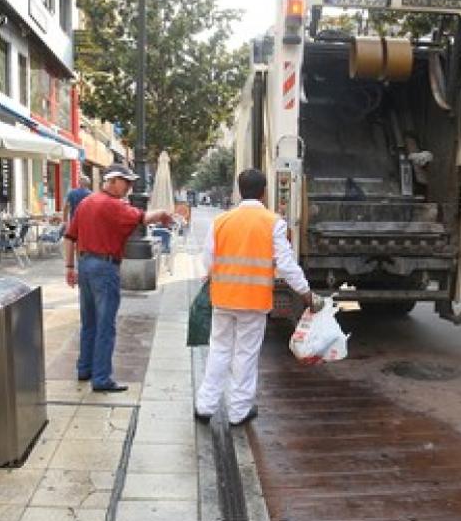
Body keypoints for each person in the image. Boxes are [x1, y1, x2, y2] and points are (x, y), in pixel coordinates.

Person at [194, 169, 319, 426]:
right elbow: (285, 265)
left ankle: (205, 406)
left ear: (239, 191)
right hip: (253, 301)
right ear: (263, 192)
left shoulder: (221, 221)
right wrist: (306, 293)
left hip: (223, 298)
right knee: (245, 355)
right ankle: (238, 411)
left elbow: (206, 261)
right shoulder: (273, 222)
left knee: (219, 350)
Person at [63, 163, 173, 393]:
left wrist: (69, 267)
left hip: (85, 265)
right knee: (105, 326)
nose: (130, 187)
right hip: (105, 267)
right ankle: (102, 378)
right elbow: (144, 218)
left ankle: (84, 369)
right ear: (112, 180)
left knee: (89, 322)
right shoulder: (113, 205)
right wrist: (162, 213)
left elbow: (69, 236)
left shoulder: (85, 203)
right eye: (126, 182)